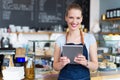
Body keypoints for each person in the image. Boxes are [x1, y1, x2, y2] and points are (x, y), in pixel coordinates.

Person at [53, 3, 98, 80]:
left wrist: (85, 62)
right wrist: (61, 64)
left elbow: (95, 66)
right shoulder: (60, 40)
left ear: (81, 19)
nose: (74, 21)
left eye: (78, 18)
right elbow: (55, 66)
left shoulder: (90, 38)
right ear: (66, 18)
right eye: (71, 17)